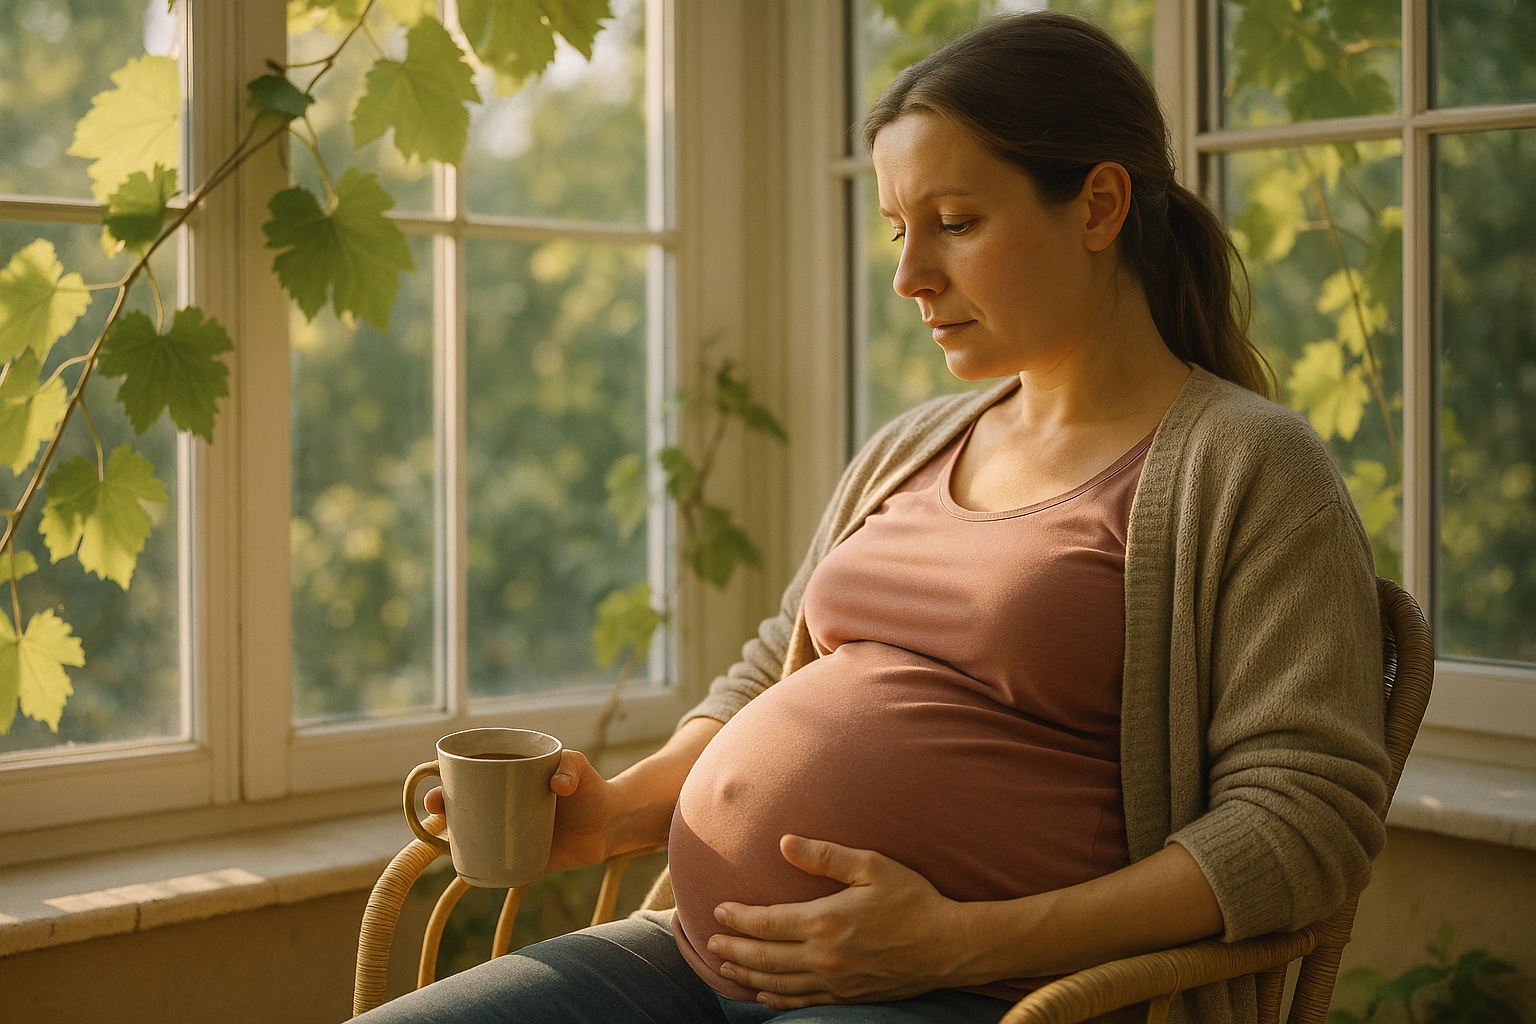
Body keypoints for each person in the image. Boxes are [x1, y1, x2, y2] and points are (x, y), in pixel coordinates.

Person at [357, 12, 1390, 1024]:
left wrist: (963, 940)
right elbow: (777, 667)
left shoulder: (1249, 467)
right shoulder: (915, 444)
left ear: (1099, 205)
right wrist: (618, 811)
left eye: (957, 222)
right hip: (687, 957)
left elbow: (1304, 824)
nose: (910, 277)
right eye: (901, 231)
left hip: (979, 994)